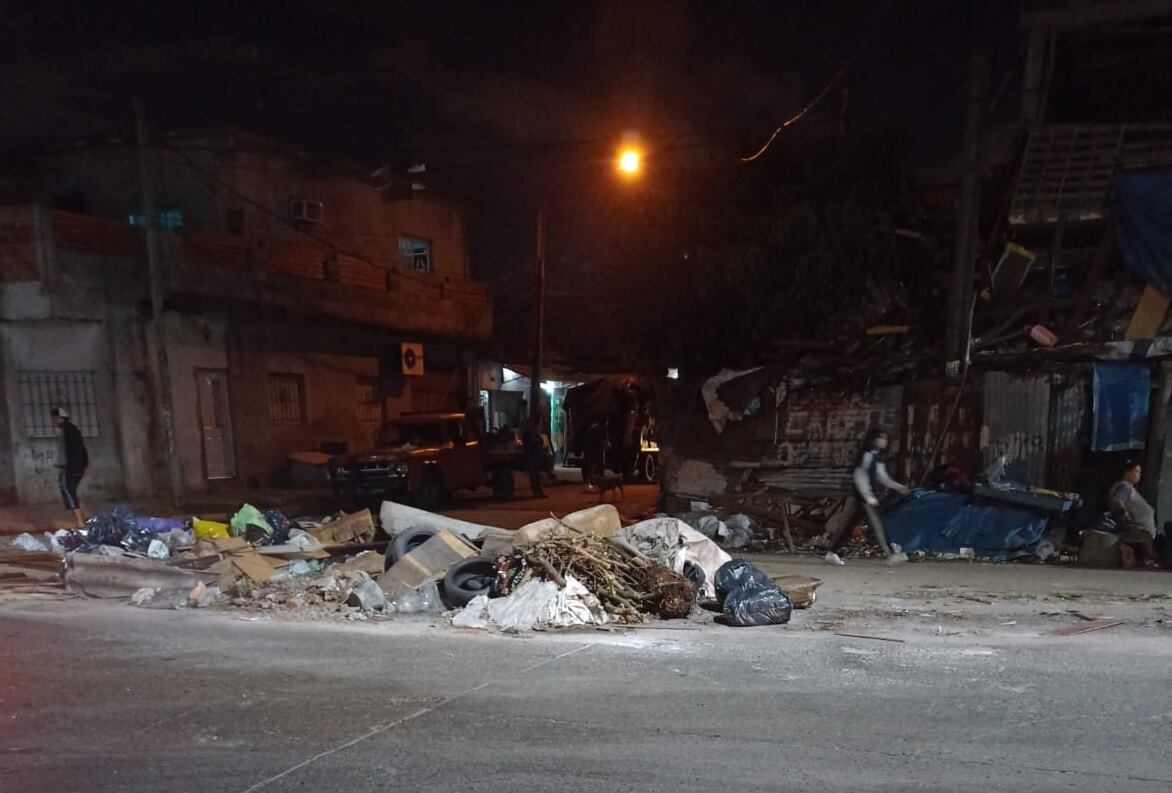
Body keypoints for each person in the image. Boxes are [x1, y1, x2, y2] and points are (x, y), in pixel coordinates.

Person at [846, 428, 909, 561]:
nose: (884, 441)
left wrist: (897, 486)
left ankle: (832, 551)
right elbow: (860, 477)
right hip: (864, 495)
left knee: (853, 523)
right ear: (873, 440)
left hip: (870, 496)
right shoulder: (867, 455)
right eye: (881, 438)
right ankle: (891, 553)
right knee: (878, 524)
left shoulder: (877, 457)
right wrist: (868, 496)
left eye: (885, 438)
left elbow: (882, 477)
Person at [1109, 461, 1161, 570]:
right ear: (1127, 472)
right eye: (1136, 471)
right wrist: (1123, 512)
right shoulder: (1125, 487)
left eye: (1139, 472)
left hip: (1142, 531)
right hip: (1138, 530)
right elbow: (1117, 500)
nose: (1139, 475)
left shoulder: (1129, 488)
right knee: (1153, 557)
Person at [52, 406, 88, 528]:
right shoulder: (73, 429)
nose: (53, 421)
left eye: (55, 418)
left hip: (70, 467)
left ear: (60, 418)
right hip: (79, 466)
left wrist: (63, 465)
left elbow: (66, 451)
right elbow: (81, 449)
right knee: (72, 491)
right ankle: (88, 517)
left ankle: (80, 522)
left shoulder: (65, 431)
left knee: (68, 491)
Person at [521, 415, 546, 499]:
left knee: (536, 476)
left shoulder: (533, 432)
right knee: (534, 476)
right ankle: (537, 492)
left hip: (534, 456)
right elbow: (534, 442)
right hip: (531, 456)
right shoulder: (528, 433)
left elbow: (540, 441)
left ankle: (538, 492)